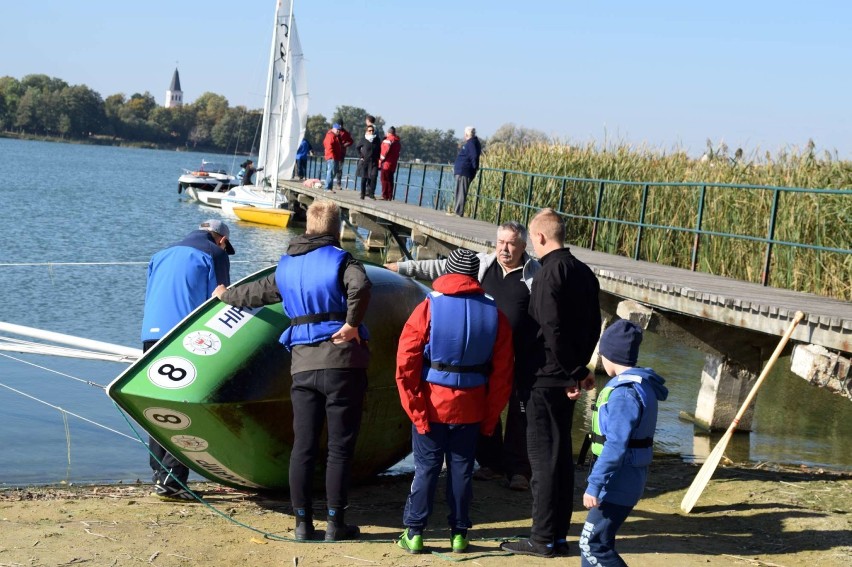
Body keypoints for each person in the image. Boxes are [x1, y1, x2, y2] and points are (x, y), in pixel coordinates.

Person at [213, 200, 371, 542]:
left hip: (302, 368)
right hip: (343, 365)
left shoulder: (286, 267)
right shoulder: (344, 260)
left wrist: (226, 296)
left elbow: (255, 293)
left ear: (307, 228)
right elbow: (360, 286)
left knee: (303, 447)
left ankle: (302, 524)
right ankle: (334, 524)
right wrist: (351, 324)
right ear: (337, 229)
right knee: (340, 448)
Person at [384, 221, 539, 491]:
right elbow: (441, 267)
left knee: (518, 412)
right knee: (482, 406)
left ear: (523, 246)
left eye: (511, 243)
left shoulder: (534, 274)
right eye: (501, 242)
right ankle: (491, 463)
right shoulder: (482, 264)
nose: (504, 248)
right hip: (480, 355)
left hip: (520, 355)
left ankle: (518, 470)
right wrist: (402, 268)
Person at [394, 248, 514, 555]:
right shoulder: (494, 313)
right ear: (475, 276)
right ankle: (459, 534)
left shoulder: (428, 307)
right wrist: (489, 419)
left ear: (446, 274)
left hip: (433, 404)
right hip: (472, 407)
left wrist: (416, 410)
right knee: (461, 470)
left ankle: (415, 532)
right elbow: (502, 375)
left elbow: (406, 363)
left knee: (426, 468)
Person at [500, 207, 601, 558]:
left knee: (542, 461)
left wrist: (572, 370)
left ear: (539, 237)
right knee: (560, 458)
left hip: (545, 379)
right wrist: (581, 369)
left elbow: (550, 327)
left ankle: (542, 538)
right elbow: (593, 326)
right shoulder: (584, 273)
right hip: (567, 379)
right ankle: (558, 535)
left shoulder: (547, 274)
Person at [141, 219, 235, 501]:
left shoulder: (161, 253)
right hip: (183, 335)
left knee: (156, 405)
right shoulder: (215, 254)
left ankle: (160, 477)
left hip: (150, 334)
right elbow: (221, 299)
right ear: (221, 240)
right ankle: (173, 481)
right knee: (182, 408)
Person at [579, 319, 668, 566]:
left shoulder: (624, 394)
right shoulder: (640, 386)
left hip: (617, 483)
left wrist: (594, 484)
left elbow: (616, 445)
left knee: (592, 545)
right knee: (597, 543)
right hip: (624, 480)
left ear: (610, 355)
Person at [453, 127, 482, 216]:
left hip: (464, 171)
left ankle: (458, 212)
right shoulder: (471, 143)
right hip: (462, 171)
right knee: (459, 191)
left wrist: (475, 167)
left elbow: (474, 156)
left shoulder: (471, 143)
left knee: (461, 192)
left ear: (466, 135)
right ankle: (457, 210)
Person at [356, 125, 381, 200]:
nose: (371, 132)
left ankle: (371, 193)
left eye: (372, 130)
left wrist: (378, 158)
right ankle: (362, 194)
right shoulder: (363, 139)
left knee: (374, 177)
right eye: (369, 130)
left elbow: (379, 149)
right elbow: (357, 148)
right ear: (367, 131)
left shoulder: (377, 139)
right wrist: (361, 156)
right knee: (364, 178)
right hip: (365, 162)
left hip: (374, 162)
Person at [378, 126, 401, 200]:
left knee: (384, 179)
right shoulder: (397, 141)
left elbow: (384, 152)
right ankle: (390, 196)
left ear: (388, 133)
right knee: (390, 180)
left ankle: (384, 195)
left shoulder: (387, 140)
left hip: (386, 163)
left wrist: (380, 161)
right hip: (393, 164)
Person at [323, 124, 344, 191]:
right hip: (332, 157)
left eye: (339, 130)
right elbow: (329, 147)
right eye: (337, 130)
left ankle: (330, 188)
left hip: (335, 157)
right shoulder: (330, 136)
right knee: (331, 172)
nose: (338, 131)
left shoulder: (335, 136)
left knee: (333, 173)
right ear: (333, 129)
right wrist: (332, 156)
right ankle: (327, 188)